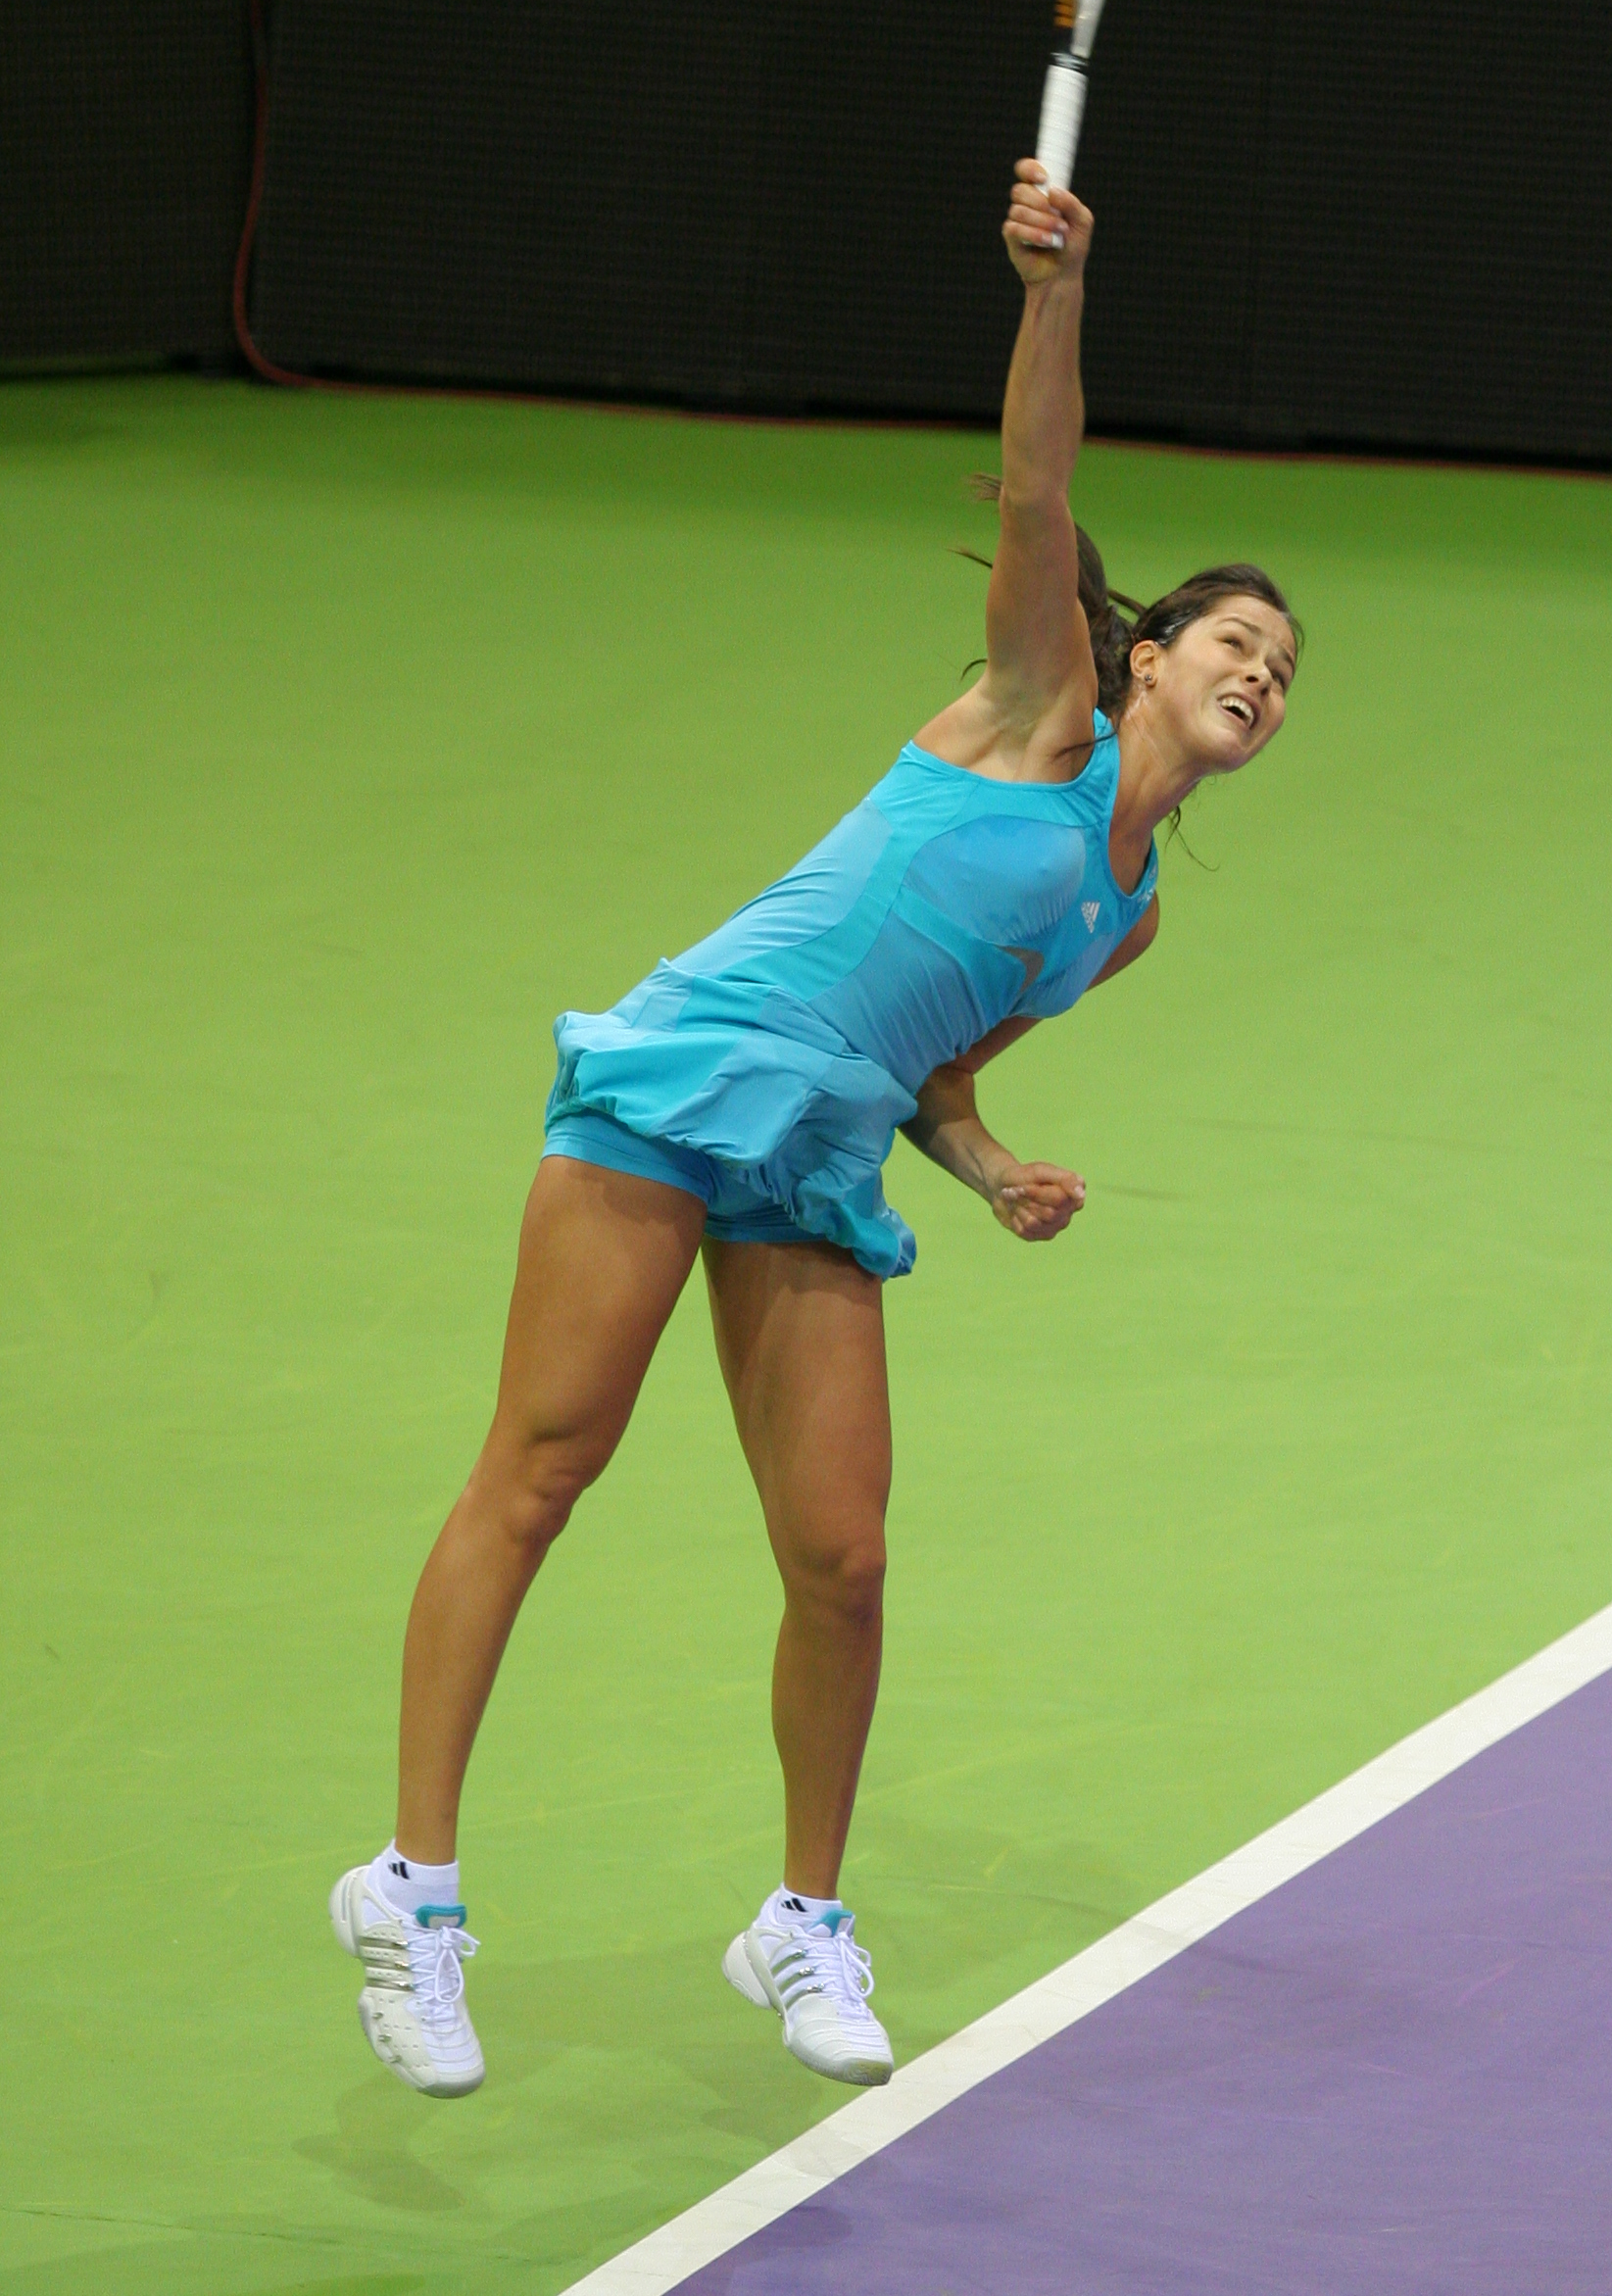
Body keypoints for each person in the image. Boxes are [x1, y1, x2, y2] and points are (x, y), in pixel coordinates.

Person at [330, 162, 1300, 2099]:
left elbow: (935, 1062)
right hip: (697, 1075)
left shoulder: (1126, 919)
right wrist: (1052, 294)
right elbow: (1038, 493)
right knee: (544, 1465)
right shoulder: (1035, 707)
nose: (1260, 679)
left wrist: (989, 1165)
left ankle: (800, 1920)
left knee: (842, 1559)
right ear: (1144, 657)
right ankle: (410, 1892)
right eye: (1235, 645)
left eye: (1283, 677)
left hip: (819, 1158)